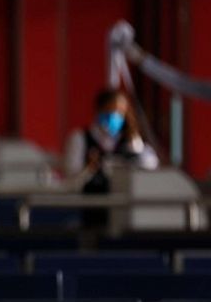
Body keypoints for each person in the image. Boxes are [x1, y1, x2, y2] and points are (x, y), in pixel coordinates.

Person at [64, 88, 159, 228]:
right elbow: (71, 181)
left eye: (120, 112)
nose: (114, 116)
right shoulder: (80, 138)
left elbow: (149, 165)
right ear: (99, 110)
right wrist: (90, 168)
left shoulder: (131, 141)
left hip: (125, 212)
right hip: (91, 210)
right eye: (110, 110)